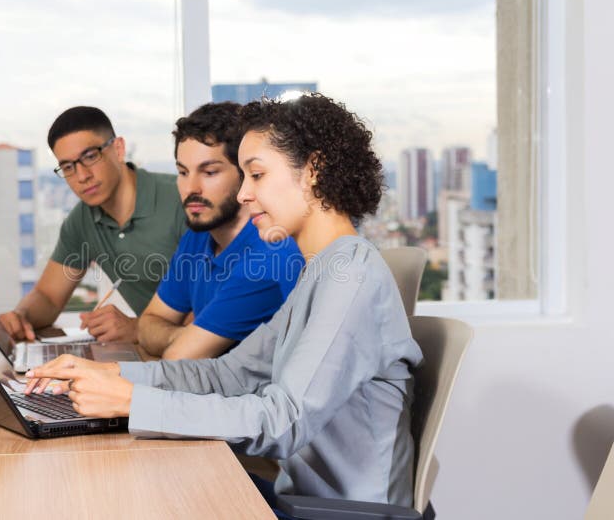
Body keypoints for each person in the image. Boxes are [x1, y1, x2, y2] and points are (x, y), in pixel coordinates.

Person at [24, 94, 424, 510]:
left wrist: (130, 401)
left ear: (313, 172)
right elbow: (228, 375)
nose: (245, 194)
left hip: (344, 514)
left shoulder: (351, 277)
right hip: (298, 501)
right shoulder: (318, 274)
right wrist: (110, 374)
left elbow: (282, 420)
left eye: (256, 175)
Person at [0, 106, 186, 343]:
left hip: (208, 356)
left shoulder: (181, 200)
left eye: (90, 156)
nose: (81, 176)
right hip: (156, 354)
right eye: (68, 167)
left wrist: (137, 329)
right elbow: (49, 296)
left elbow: (216, 310)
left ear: (118, 149)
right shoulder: (81, 220)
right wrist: (20, 316)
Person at [138, 102, 301, 360]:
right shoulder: (197, 236)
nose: (191, 188)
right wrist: (187, 335)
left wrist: (179, 340)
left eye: (210, 172)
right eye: (182, 172)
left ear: (244, 173)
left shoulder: (269, 253)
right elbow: (148, 324)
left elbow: (178, 359)